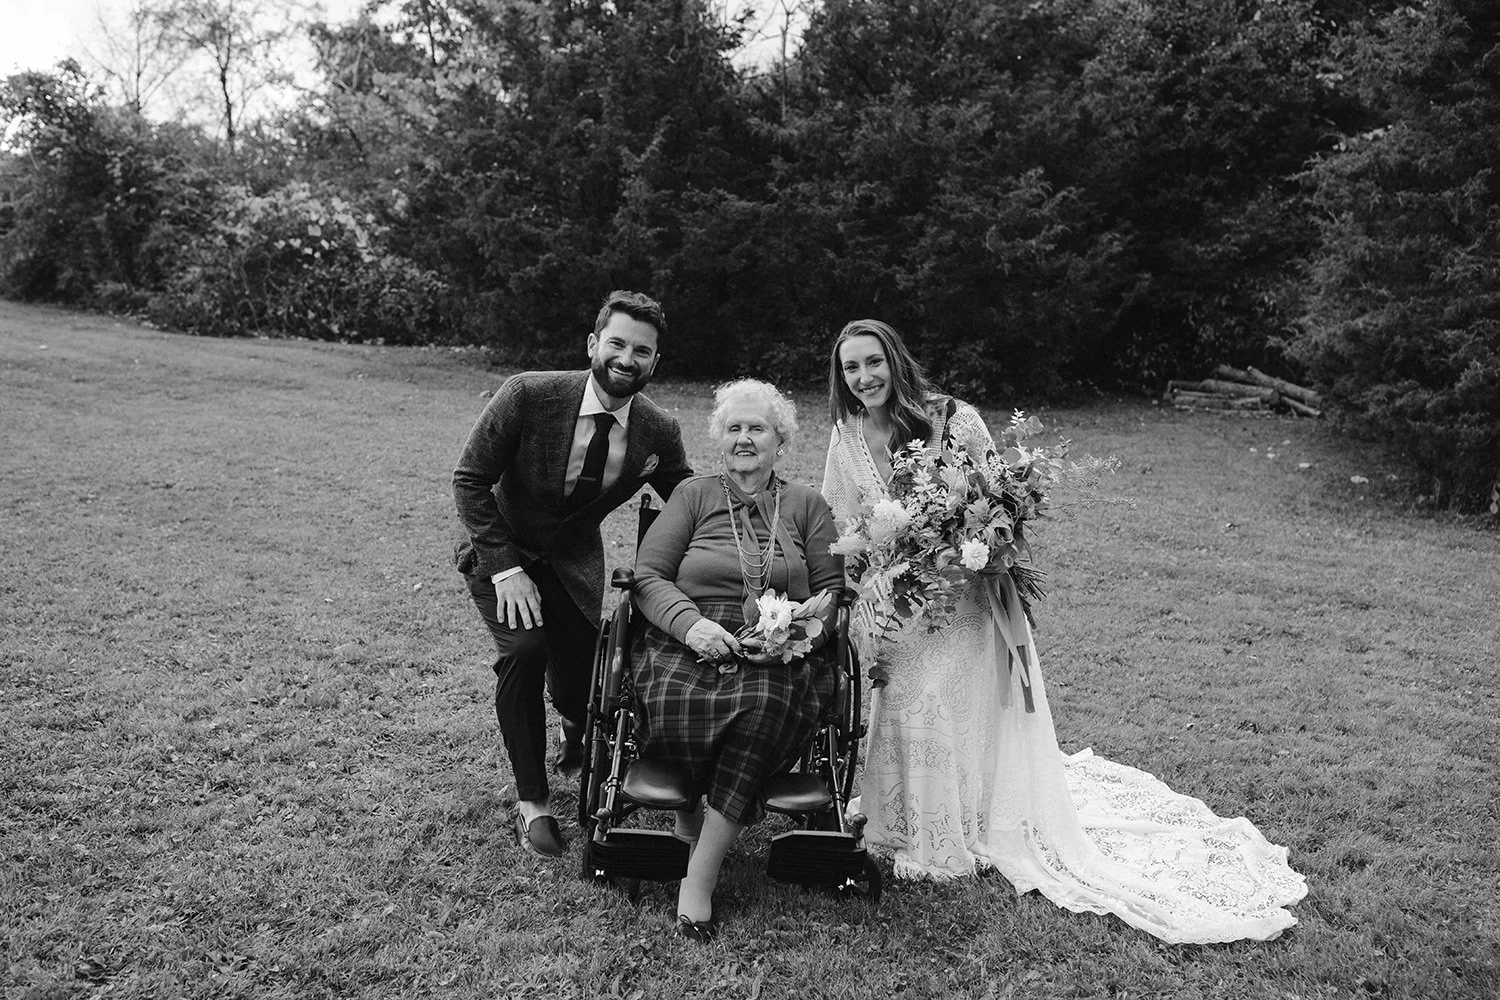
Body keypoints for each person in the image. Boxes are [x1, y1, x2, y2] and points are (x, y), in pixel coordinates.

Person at [820, 319, 1307, 944]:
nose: (864, 378)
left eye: (872, 362)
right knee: (908, 700)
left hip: (962, 596)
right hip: (901, 601)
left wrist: (971, 540)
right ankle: (902, 817)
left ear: (896, 360)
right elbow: (844, 521)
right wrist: (860, 586)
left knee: (944, 699)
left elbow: (999, 507)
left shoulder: (953, 418)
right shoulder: (845, 435)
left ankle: (958, 825)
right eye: (851, 368)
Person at [453, 290, 693, 859]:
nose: (626, 359)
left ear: (654, 362)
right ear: (593, 344)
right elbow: (469, 480)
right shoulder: (528, 394)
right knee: (525, 650)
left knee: (582, 680)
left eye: (642, 351)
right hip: (500, 549)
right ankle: (532, 803)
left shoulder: (658, 429)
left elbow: (686, 499)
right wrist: (506, 568)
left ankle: (572, 728)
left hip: (572, 563)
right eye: (616, 344)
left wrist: (746, 517)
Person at [630, 379, 844, 942]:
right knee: (674, 697)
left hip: (780, 648)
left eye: (757, 428)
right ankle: (690, 816)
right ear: (719, 439)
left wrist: (792, 633)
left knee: (761, 705)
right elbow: (648, 577)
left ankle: (698, 876)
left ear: (781, 440)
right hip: (688, 634)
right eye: (734, 428)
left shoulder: (806, 505)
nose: (744, 438)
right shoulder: (693, 496)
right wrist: (693, 626)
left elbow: (831, 593)